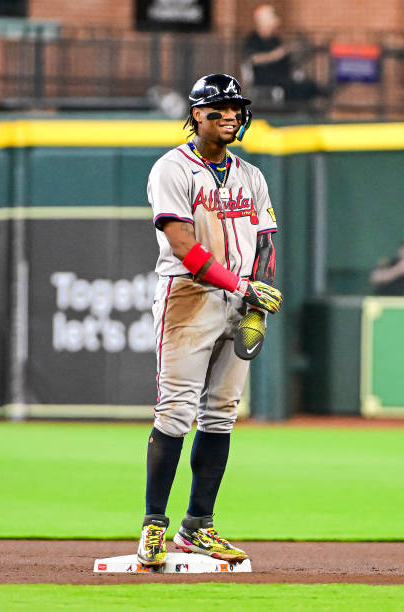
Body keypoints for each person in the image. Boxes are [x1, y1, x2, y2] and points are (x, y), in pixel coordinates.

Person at [137, 73, 283, 567]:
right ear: (196, 115)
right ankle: (153, 526)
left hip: (239, 299)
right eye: (218, 108)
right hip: (189, 295)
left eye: (236, 108)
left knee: (221, 414)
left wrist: (257, 299)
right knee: (176, 412)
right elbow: (183, 245)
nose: (230, 115)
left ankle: (198, 525)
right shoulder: (171, 169)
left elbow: (265, 243)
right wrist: (242, 286)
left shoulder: (252, 175)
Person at [243, 3, 322, 102]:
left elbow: (287, 61)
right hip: (265, 79)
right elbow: (253, 59)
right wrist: (276, 54)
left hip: (283, 77)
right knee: (293, 88)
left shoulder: (275, 40)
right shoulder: (253, 39)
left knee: (307, 86)